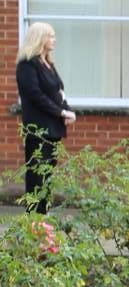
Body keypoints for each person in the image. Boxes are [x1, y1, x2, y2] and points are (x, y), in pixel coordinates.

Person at [16, 22, 76, 214]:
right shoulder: (27, 65)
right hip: (39, 130)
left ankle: (43, 219)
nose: (54, 40)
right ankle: (34, 220)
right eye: (50, 36)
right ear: (39, 38)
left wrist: (67, 110)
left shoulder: (49, 64)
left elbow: (58, 92)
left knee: (47, 175)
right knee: (37, 176)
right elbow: (36, 95)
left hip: (53, 130)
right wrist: (61, 113)